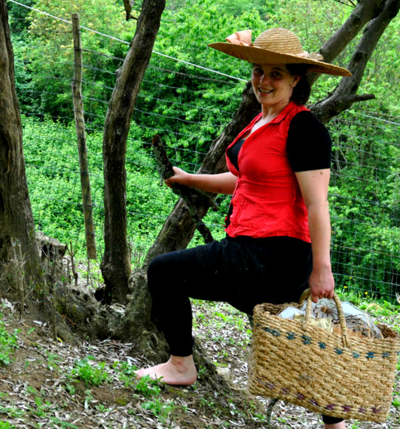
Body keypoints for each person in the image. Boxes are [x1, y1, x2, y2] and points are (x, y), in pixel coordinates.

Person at [135, 28, 351, 429]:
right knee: (285, 337)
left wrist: (323, 268)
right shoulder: (262, 121)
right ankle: (335, 424)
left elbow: (317, 203)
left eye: (276, 74)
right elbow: (249, 181)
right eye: (258, 71)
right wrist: (192, 178)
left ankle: (181, 364)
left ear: (295, 80)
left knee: (165, 271)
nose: (263, 81)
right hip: (258, 249)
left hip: (271, 253)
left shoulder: (303, 128)